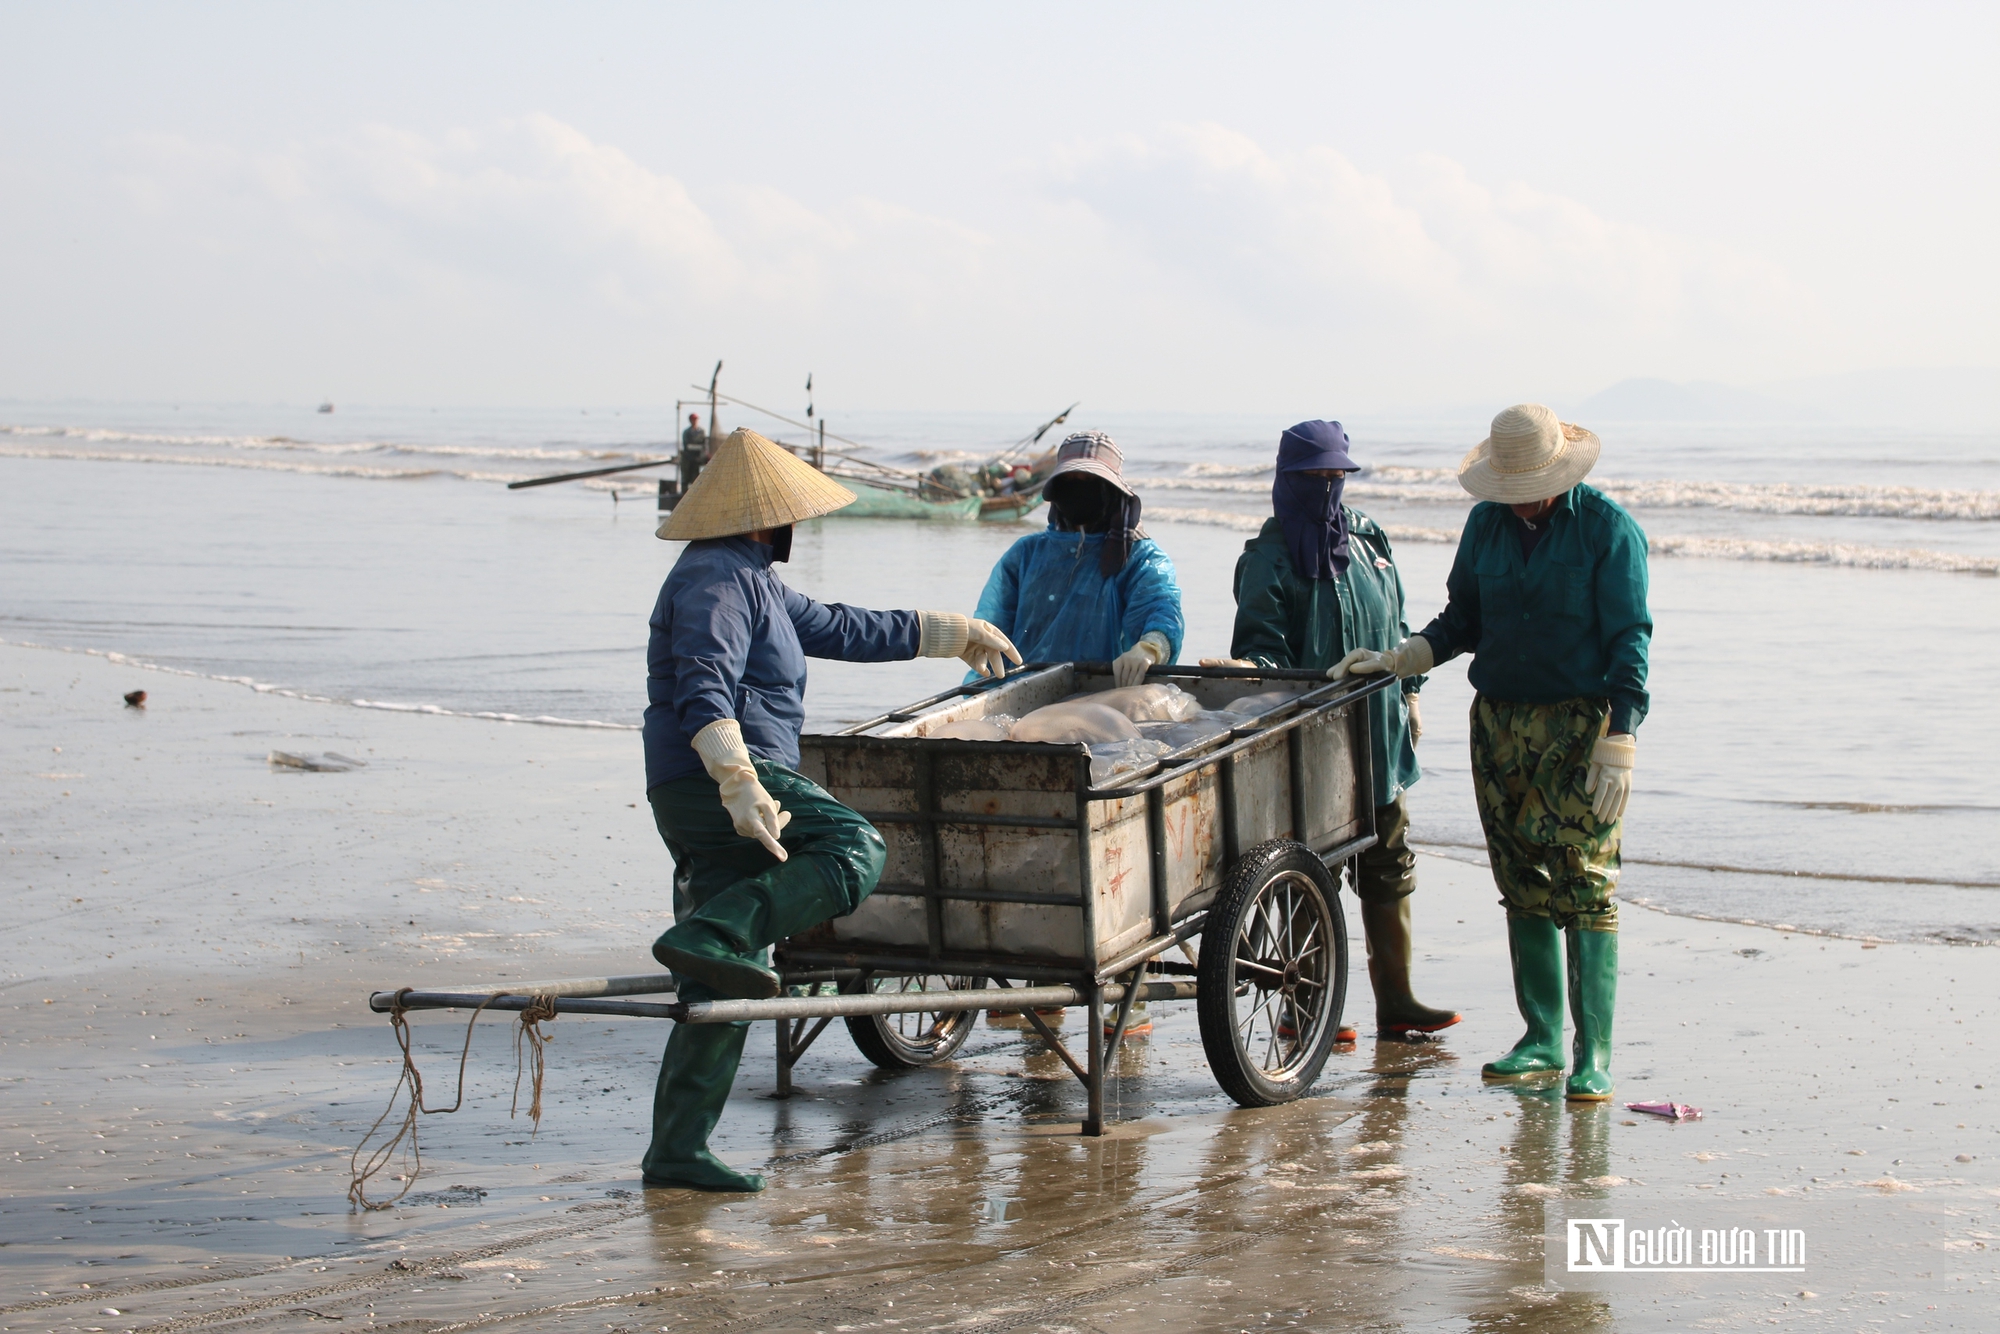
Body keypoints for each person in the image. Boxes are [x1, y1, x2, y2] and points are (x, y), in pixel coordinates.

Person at [642, 428, 1021, 1192]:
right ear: (763, 516)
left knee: (727, 981)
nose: (796, 529)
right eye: (790, 516)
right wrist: (739, 780)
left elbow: (842, 625)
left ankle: (678, 1150)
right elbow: (702, 685)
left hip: (718, 783)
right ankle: (712, 931)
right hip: (719, 779)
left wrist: (951, 632)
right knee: (855, 848)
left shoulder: (754, 580)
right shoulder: (715, 579)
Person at [1334, 404, 1650, 1101]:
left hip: (1579, 725)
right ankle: (1540, 1039)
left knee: (1587, 886)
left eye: (1530, 487)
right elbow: (1464, 619)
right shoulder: (1485, 526)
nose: (1519, 501)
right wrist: (1407, 656)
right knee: (1521, 881)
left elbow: (1631, 636)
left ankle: (1592, 1051)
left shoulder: (1607, 531)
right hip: (1499, 724)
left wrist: (1621, 734)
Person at [1208, 420, 1459, 1042]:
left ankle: (1396, 1000)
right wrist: (1246, 670)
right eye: (1313, 477)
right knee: (1310, 870)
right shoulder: (1267, 557)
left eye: (1335, 476)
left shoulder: (1370, 541)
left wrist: (1413, 693)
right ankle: (1305, 1004)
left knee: (1390, 860)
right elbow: (1264, 652)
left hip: (1379, 734)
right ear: (1287, 481)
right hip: (1309, 748)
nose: (1326, 486)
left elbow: (1397, 626)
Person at [971, 430, 1185, 1037]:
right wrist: (977, 698)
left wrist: (1151, 644)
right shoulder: (1024, 556)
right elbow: (989, 631)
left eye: (1094, 486)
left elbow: (1162, 610)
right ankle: (1034, 983)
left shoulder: (1141, 558)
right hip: (1028, 721)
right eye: (1072, 484)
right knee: (1025, 851)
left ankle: (1124, 988)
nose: (1080, 495)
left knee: (1110, 855)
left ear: (1115, 495)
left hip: (1106, 729)